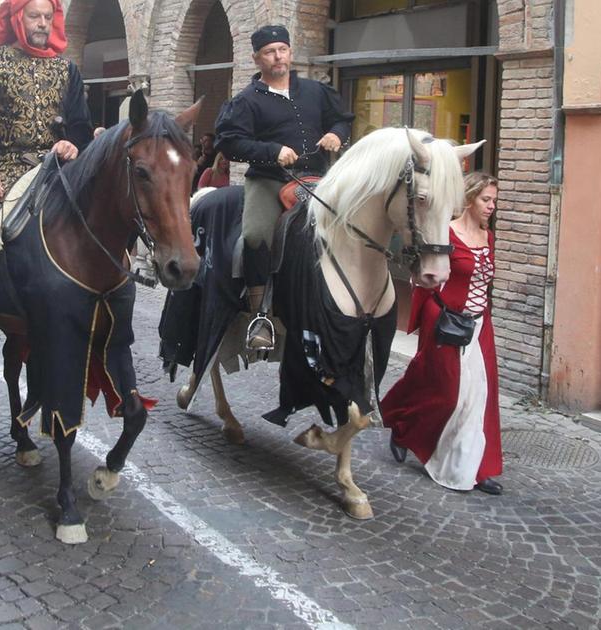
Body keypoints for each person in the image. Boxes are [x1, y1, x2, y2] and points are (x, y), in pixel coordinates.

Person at [0, 0, 93, 367]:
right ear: (17, 19)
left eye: (48, 17)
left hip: (56, 168)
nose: (42, 23)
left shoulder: (68, 69)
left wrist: (72, 143)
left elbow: (81, 124)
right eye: (35, 16)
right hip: (2, 167)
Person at [215, 25, 353, 349]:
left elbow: (343, 119)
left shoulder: (317, 92)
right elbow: (230, 144)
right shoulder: (246, 101)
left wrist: (337, 134)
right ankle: (259, 316)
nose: (278, 57)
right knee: (255, 235)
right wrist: (271, 152)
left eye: (282, 49)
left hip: (320, 180)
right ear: (256, 58)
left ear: (290, 52)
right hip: (270, 180)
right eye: (269, 52)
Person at [381, 172, 503, 495]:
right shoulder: (446, 232)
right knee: (445, 393)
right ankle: (403, 428)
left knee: (479, 397)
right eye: (485, 199)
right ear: (469, 198)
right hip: (447, 321)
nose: (491, 206)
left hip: (479, 324)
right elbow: (425, 274)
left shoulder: (487, 237)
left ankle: (476, 468)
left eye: (494, 200)